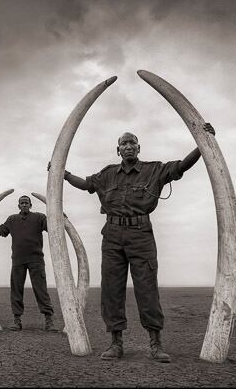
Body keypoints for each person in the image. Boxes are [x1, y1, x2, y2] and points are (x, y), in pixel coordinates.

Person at [55, 123, 216, 363]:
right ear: (117, 149)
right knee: (111, 290)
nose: (128, 146)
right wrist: (62, 173)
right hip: (112, 235)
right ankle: (116, 343)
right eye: (124, 143)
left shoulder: (154, 170)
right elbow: (86, 184)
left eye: (132, 143)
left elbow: (181, 166)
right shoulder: (107, 174)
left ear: (139, 147)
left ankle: (155, 343)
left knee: (147, 288)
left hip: (141, 235)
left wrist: (203, 144)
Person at [0, 195, 56, 332]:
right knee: (16, 290)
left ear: (30, 205)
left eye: (26, 203)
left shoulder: (39, 217)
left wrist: (58, 215)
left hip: (36, 260)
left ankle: (49, 320)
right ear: (18, 206)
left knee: (41, 289)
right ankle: (17, 321)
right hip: (18, 260)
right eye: (22, 203)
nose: (24, 205)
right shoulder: (12, 219)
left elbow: (53, 227)